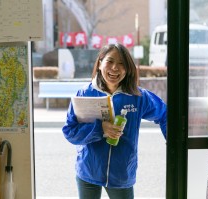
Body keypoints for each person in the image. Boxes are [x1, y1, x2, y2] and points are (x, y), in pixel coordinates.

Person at [62, 43, 167, 199]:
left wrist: (173, 145)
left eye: (121, 64)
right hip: (88, 171)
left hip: (121, 173)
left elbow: (164, 114)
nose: (115, 68)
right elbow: (70, 132)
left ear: (128, 69)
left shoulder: (138, 96)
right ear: (99, 64)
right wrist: (99, 129)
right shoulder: (84, 93)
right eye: (110, 61)